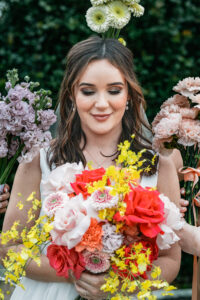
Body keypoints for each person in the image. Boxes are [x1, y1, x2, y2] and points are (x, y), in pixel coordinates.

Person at [2, 36, 181, 300]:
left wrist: (120, 282)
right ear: (72, 95)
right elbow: (9, 249)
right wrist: (73, 271)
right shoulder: (39, 161)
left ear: (129, 95)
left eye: (114, 90)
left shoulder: (157, 166)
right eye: (88, 91)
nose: (101, 103)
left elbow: (170, 261)